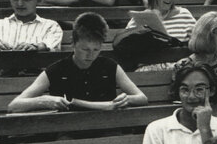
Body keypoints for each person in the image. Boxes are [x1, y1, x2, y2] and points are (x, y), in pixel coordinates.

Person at [8, 12, 147, 113]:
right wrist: (45, 101)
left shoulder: (110, 66)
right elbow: (14, 105)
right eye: (84, 49)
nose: (90, 55)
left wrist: (127, 99)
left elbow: (142, 98)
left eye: (96, 49)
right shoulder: (57, 69)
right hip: (68, 130)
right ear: (73, 43)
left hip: (106, 126)